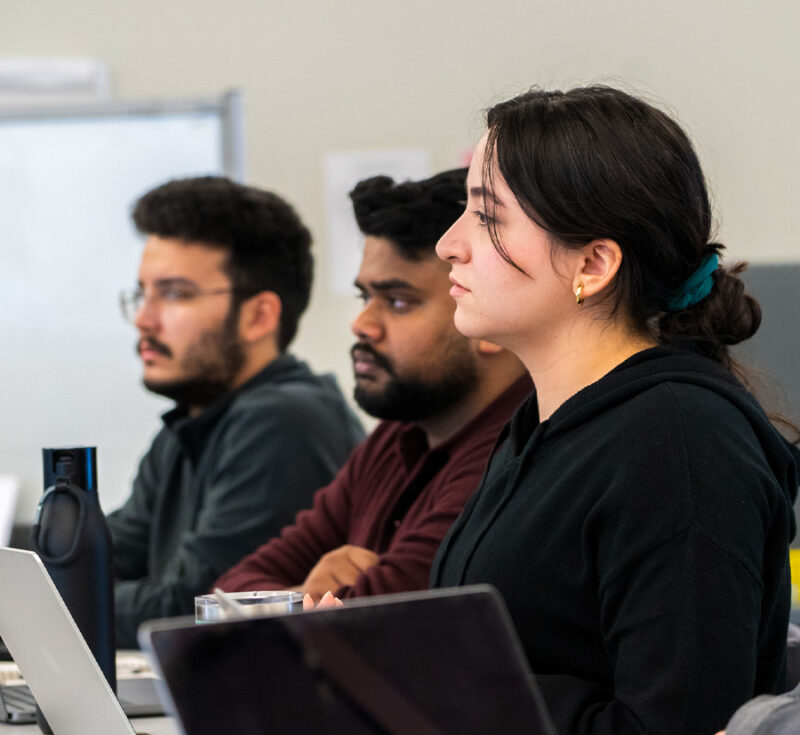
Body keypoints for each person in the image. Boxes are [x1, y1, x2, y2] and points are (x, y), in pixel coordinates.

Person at [432, 86, 800, 735]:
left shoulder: (677, 438)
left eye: (487, 218)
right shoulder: (541, 425)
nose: (448, 245)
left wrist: (444, 688)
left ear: (593, 263)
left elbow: (679, 724)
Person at [214, 168, 530, 601]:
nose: (362, 325)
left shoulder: (515, 454)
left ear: (487, 318)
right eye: (365, 297)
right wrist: (309, 594)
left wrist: (311, 602)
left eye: (398, 302)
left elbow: (379, 615)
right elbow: (230, 592)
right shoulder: (396, 437)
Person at [109, 176, 365, 647]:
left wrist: (37, 610)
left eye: (175, 293)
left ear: (259, 316)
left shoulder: (285, 420)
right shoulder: (190, 421)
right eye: (142, 293)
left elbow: (191, 606)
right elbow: (97, 561)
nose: (145, 319)